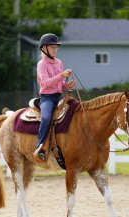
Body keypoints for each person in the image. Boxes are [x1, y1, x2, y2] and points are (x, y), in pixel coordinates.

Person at [32, 33, 76, 163]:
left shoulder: (59, 63)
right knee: (46, 117)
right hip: (47, 98)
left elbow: (59, 83)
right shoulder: (41, 64)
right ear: (44, 49)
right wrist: (61, 75)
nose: (55, 50)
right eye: (52, 47)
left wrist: (67, 84)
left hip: (59, 96)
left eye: (56, 47)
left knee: (75, 110)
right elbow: (45, 83)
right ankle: (39, 147)